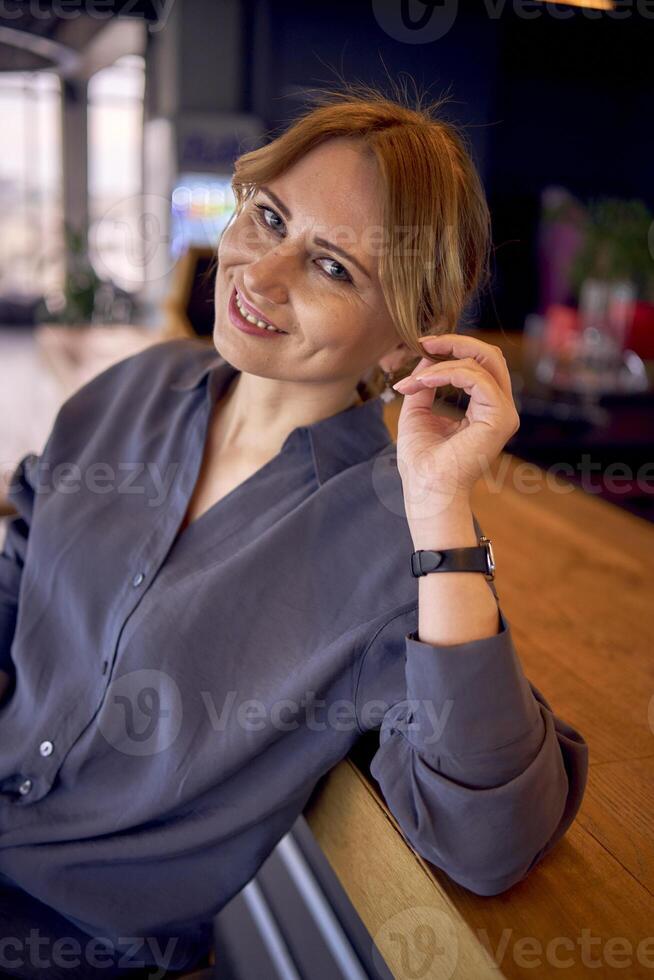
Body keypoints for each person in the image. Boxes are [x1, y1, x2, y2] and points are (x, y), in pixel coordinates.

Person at [0, 81, 588, 978]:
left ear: (406, 344)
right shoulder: (133, 391)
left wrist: (438, 504)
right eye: (270, 218)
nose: (260, 276)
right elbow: (21, 576)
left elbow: (489, 840)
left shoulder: (396, 546)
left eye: (333, 267)